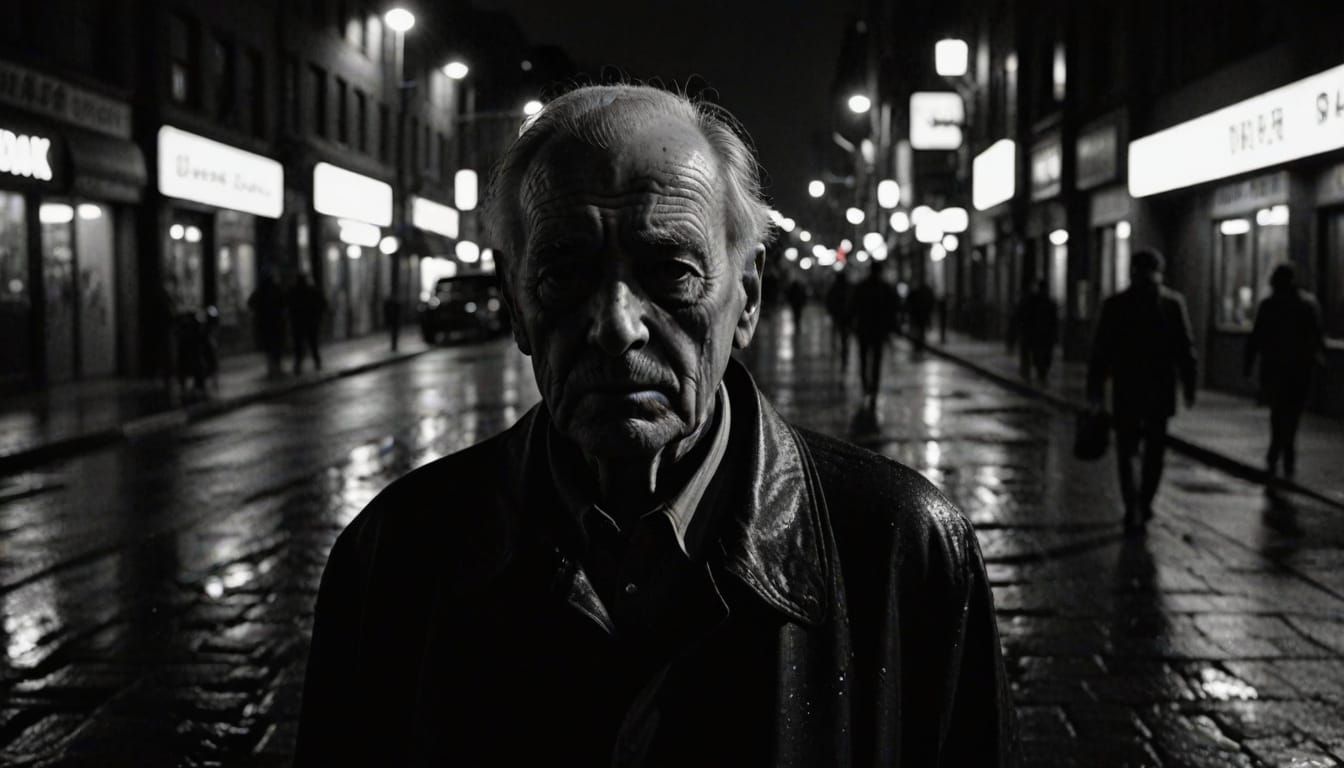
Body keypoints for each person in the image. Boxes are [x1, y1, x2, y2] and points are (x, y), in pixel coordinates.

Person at [295, 85, 1013, 767]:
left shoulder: (904, 549)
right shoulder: (395, 556)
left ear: (749, 294)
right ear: (514, 302)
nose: (614, 325)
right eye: (563, 274)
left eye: (669, 272)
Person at [1087, 248, 1197, 532]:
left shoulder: (1117, 304)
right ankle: (1142, 503)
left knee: (1129, 452)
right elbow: (1185, 349)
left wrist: (1096, 392)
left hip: (1129, 389)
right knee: (1151, 452)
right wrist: (1189, 385)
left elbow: (1100, 353)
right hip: (1157, 390)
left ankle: (1134, 505)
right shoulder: (1171, 304)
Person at [1244, 263, 1325, 479]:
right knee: (1293, 410)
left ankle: (1278, 448)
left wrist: (1248, 364)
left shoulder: (1270, 304)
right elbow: (1316, 335)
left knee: (1278, 411)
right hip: (1300, 367)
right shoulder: (1307, 303)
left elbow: (1256, 336)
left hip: (1276, 367)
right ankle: (1286, 449)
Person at [851, 260, 900, 409]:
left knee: (864, 359)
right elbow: (893, 308)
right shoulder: (885, 288)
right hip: (878, 329)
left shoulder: (862, 287)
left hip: (865, 329)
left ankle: (867, 385)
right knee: (876, 360)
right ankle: (873, 388)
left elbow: (854, 306)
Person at [1012, 280, 1059, 382]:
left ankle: (1039, 373)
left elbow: (1053, 320)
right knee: (1040, 354)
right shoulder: (1040, 302)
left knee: (1042, 354)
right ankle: (1040, 373)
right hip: (1039, 333)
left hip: (1042, 333)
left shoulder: (1045, 302)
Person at [248, 269, 287, 377]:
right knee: (276, 346)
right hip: (276, 322)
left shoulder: (260, 291)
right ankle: (276, 368)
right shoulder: (276, 289)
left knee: (269, 346)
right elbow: (284, 303)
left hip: (265, 323)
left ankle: (272, 368)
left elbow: (250, 303)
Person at [290, 272, 327, 373]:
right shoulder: (312, 291)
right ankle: (316, 362)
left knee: (300, 345)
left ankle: (298, 365)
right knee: (312, 343)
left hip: (299, 323)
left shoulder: (294, 292)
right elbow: (323, 304)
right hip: (310, 322)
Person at [824, 271, 853, 370]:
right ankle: (843, 349)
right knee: (844, 335)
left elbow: (829, 300)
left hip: (840, 315)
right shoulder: (848, 288)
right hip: (845, 316)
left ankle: (838, 348)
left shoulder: (835, 288)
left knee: (839, 332)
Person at [907, 281, 936, 348]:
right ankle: (919, 341)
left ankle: (918, 341)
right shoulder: (924, 293)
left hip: (919, 314)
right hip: (920, 314)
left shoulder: (917, 293)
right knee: (920, 328)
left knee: (919, 328)